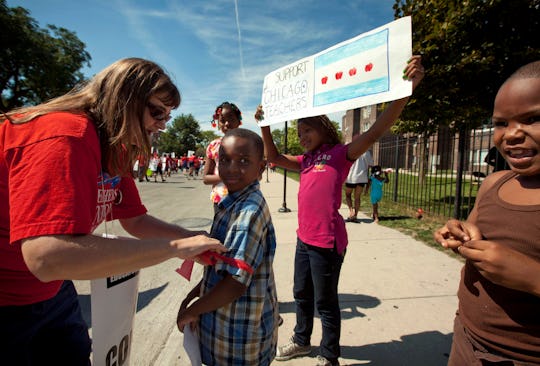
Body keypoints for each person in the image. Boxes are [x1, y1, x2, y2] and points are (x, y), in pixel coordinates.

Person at [0, 57, 226, 365]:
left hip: (51, 292)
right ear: (123, 98)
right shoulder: (66, 134)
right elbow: (46, 256)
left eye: (167, 117)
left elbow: (134, 218)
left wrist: (190, 238)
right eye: (156, 111)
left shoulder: (114, 145)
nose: (160, 124)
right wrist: (175, 247)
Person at [257, 56, 424, 366]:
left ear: (323, 128)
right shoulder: (304, 161)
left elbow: (374, 132)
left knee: (325, 301)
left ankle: (329, 356)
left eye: (308, 130)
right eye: (300, 131)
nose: (303, 136)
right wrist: (264, 124)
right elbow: (273, 157)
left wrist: (405, 91)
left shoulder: (339, 154)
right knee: (301, 294)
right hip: (304, 241)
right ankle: (301, 340)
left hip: (328, 243)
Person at [433, 60, 540, 365]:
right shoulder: (494, 183)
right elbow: (472, 230)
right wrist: (457, 232)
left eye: (532, 118)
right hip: (467, 339)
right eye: (501, 123)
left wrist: (532, 277)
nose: (512, 134)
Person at [177, 128, 278, 366]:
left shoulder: (248, 213)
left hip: (238, 342)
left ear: (261, 168)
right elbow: (222, 268)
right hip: (222, 330)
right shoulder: (231, 203)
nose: (232, 168)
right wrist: (195, 296)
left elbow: (234, 283)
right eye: (224, 160)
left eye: (243, 161)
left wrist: (193, 310)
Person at [203, 101, 242, 211]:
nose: (227, 124)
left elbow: (257, 175)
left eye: (231, 119)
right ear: (217, 122)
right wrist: (226, 176)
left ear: (239, 121)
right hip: (221, 202)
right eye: (222, 120)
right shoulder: (213, 146)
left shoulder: (248, 144)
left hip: (245, 200)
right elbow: (206, 178)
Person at [344, 148, 373, 222]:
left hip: (351, 177)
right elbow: (371, 165)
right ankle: (355, 215)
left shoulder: (351, 150)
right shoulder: (367, 152)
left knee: (348, 195)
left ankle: (351, 211)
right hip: (362, 177)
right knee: (357, 197)